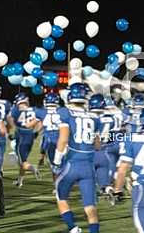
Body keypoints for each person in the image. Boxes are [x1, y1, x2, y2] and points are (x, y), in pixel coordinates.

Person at [54, 83, 101, 233]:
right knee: (90, 206)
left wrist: (56, 162)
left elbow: (63, 139)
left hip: (72, 163)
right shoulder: (94, 117)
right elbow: (97, 145)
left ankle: (73, 228)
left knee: (60, 197)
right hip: (88, 165)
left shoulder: (64, 112)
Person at [10, 92, 44, 187]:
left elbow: (10, 120)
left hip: (21, 136)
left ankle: (33, 169)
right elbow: (41, 121)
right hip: (30, 136)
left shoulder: (16, 110)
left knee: (22, 161)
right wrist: (36, 131)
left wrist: (12, 133)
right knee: (23, 160)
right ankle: (20, 181)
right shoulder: (35, 109)